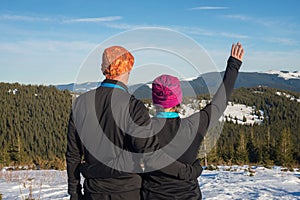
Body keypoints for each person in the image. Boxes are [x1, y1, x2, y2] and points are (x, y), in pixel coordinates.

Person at [66, 46, 203, 200]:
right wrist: (190, 172)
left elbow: (73, 154)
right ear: (127, 69)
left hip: (93, 191)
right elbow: (149, 154)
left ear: (103, 69)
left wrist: (75, 192)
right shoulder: (133, 106)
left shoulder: (80, 103)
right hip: (128, 190)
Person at [140, 42, 244, 199]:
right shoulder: (194, 125)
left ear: (154, 100)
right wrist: (233, 65)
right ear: (178, 98)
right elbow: (219, 103)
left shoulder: (142, 129)